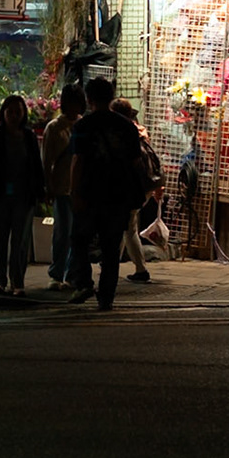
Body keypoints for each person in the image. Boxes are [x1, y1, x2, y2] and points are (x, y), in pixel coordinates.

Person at [65, 76, 151, 312]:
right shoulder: (126, 127)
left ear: (88, 99)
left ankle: (83, 282)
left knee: (79, 240)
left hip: (90, 193)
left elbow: (77, 161)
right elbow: (136, 162)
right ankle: (106, 298)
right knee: (111, 248)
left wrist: (74, 192)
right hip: (118, 196)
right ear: (111, 96)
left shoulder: (83, 126)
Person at [0, 94, 44, 296]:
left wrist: (40, 190)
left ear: (24, 113)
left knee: (20, 241)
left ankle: (18, 282)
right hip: (0, 194)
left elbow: (36, 165)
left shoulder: (29, 136)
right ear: (3, 114)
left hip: (23, 195)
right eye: (10, 112)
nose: (14, 116)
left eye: (18, 112)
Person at [109, 98, 159, 284]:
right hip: (144, 185)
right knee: (128, 225)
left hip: (132, 186)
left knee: (127, 226)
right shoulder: (139, 130)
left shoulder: (124, 132)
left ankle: (137, 268)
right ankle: (120, 264)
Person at [40, 84, 83, 291]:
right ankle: (57, 273)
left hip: (80, 188)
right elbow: (46, 160)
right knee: (63, 232)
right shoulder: (55, 127)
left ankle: (70, 274)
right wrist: (48, 186)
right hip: (62, 187)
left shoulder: (83, 125)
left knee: (77, 233)